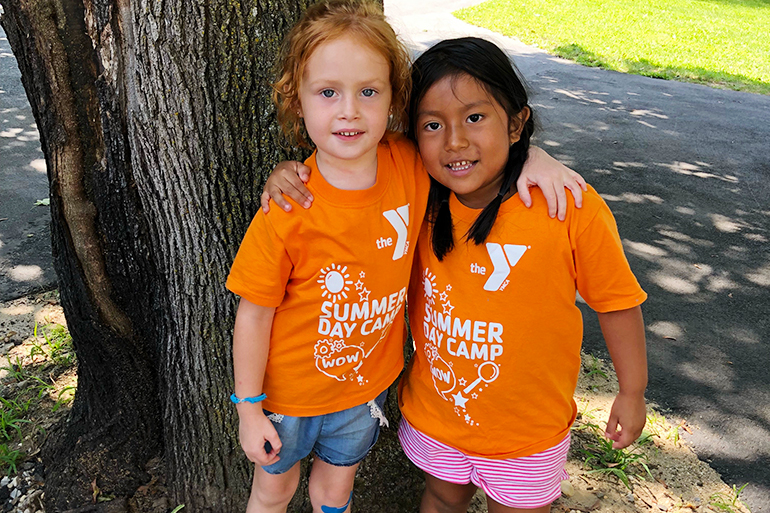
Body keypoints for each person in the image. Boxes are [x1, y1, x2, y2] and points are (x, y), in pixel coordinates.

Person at [265, 37, 648, 513]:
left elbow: (616, 301)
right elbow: (343, 171)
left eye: (474, 117)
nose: (455, 141)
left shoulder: (566, 205)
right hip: (437, 419)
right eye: (432, 125)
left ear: (516, 123)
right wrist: (288, 173)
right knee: (442, 500)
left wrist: (632, 392)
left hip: (527, 433)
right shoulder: (416, 195)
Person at [226, 1, 424, 511]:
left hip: (364, 392)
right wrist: (248, 409)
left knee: (335, 491)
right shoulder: (289, 206)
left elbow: (473, 156)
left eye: (369, 91)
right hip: (287, 401)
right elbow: (253, 313)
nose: (349, 110)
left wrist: (534, 154)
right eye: (328, 92)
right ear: (299, 102)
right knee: (274, 490)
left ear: (393, 97)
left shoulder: (411, 164)